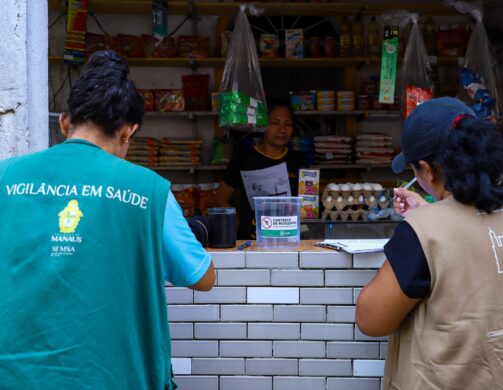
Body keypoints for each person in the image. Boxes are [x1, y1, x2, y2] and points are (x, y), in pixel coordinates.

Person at [0, 50, 215, 389]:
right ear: (129, 132)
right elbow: (201, 277)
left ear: (64, 122)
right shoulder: (148, 191)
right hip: (117, 377)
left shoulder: (6, 178)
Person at [355, 97, 503, 389]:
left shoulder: (424, 232)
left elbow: (372, 319)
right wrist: (434, 210)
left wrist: (427, 222)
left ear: (427, 169)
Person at [216, 98, 308, 239]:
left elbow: (308, 203)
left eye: (287, 124)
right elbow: (221, 199)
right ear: (263, 124)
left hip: (290, 238)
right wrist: (237, 224)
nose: (282, 129)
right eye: (275, 123)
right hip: (252, 240)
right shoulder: (244, 158)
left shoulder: (299, 160)